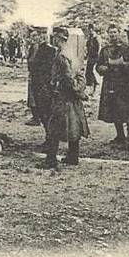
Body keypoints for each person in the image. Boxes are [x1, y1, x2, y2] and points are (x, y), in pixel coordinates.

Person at [44, 26, 90, 168]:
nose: (53, 39)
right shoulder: (73, 54)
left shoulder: (62, 55)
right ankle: (72, 157)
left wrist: (74, 90)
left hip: (64, 97)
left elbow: (68, 78)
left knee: (54, 128)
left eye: (55, 37)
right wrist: (79, 92)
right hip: (72, 98)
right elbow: (80, 75)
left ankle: (51, 160)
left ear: (59, 39)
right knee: (74, 126)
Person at [96, 23, 129, 143]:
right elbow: (98, 65)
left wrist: (123, 65)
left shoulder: (127, 48)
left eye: (115, 32)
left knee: (124, 109)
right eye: (110, 32)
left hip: (123, 83)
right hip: (110, 82)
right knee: (113, 109)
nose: (113, 35)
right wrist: (102, 68)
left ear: (119, 33)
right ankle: (120, 135)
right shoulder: (105, 49)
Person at [28, 25, 58, 137]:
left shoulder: (50, 50)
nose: (35, 38)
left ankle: (50, 140)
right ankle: (48, 139)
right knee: (42, 112)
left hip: (45, 87)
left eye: (37, 35)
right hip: (38, 86)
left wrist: (48, 85)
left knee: (47, 114)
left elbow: (51, 70)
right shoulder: (37, 49)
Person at [85, 24, 101, 97]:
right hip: (90, 57)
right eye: (89, 29)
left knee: (93, 72)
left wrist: (98, 58)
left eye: (91, 29)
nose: (90, 30)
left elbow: (99, 48)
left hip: (95, 57)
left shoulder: (96, 38)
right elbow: (88, 47)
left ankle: (95, 90)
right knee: (88, 73)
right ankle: (92, 90)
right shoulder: (90, 38)